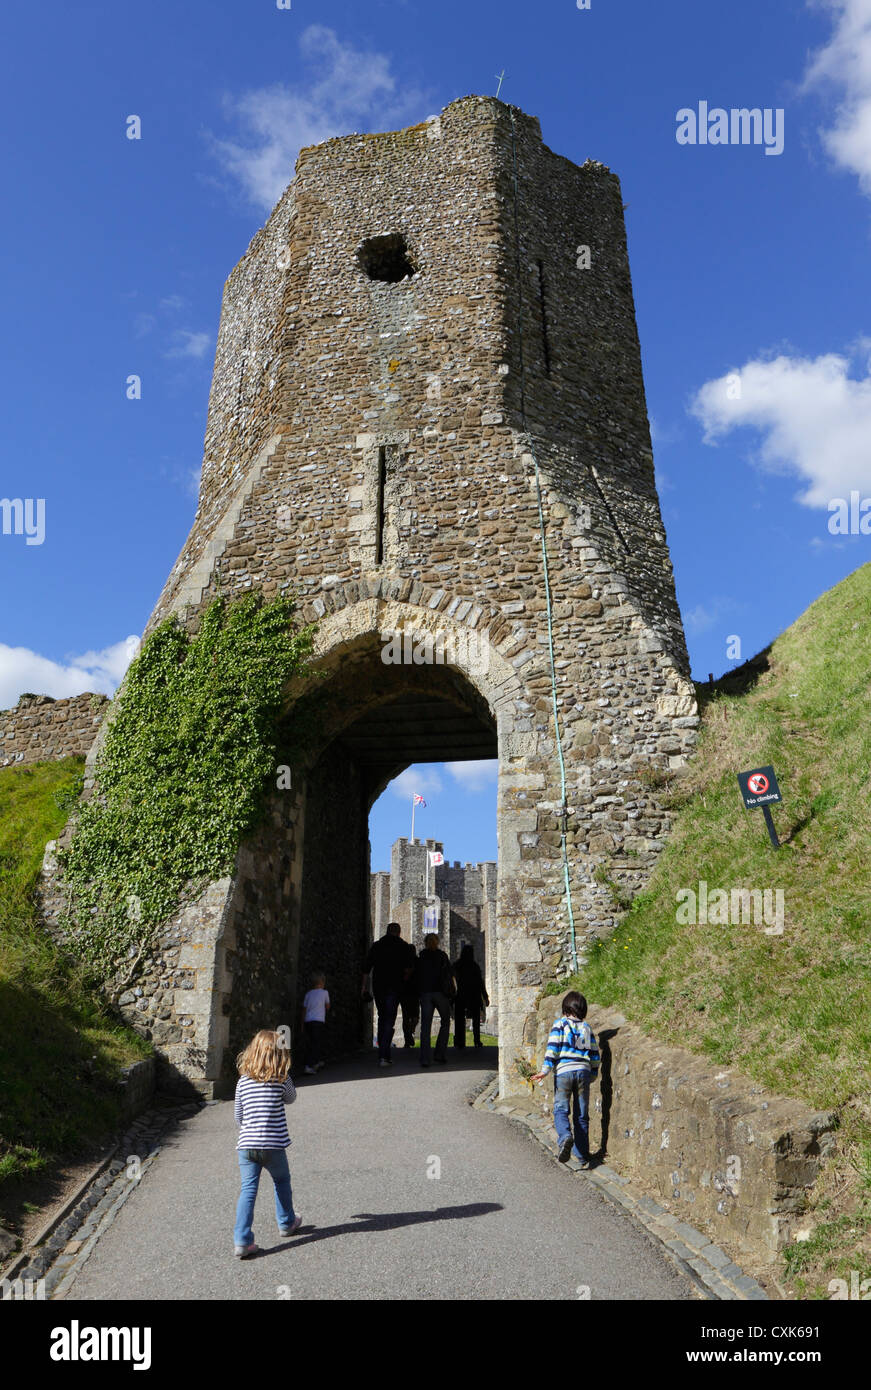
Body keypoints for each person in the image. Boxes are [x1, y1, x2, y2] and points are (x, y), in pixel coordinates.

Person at [233, 1028, 302, 1258]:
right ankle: (286, 1222)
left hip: (246, 1145)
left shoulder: (243, 1081)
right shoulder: (281, 1079)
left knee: (248, 1190)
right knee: (281, 1181)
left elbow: (238, 1117)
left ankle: (242, 1240)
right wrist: (285, 1073)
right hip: (273, 1145)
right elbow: (291, 1098)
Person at [530, 991, 600, 1169]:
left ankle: (565, 1137)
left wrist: (545, 1071)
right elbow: (595, 1055)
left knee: (561, 1110)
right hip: (583, 1072)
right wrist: (592, 1075)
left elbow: (552, 1049)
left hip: (564, 1072)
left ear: (565, 1008)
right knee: (582, 1115)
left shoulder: (559, 1024)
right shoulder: (587, 1028)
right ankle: (582, 1156)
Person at [362, 922, 415, 1067]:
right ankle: (384, 1055)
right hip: (395, 987)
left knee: (382, 1016)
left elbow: (366, 968)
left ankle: (382, 1052)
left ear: (386, 931)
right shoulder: (404, 946)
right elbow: (409, 969)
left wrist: (364, 988)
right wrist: (404, 979)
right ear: (399, 932)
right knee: (389, 1019)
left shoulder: (377, 945)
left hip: (379, 986)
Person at [415, 933, 455, 1067]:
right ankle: (439, 1054)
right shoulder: (442, 956)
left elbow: (417, 976)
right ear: (437, 942)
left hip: (426, 993)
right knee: (445, 1022)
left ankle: (425, 1058)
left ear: (425, 942)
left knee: (425, 1027)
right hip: (440, 993)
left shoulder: (421, 957)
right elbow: (450, 973)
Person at [452, 944, 489, 1049]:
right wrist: (485, 997)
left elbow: (451, 980)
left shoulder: (457, 965)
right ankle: (477, 1040)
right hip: (474, 995)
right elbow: (480, 983)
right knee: (476, 1019)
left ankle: (460, 1041)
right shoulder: (474, 966)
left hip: (460, 995)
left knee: (459, 1019)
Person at [301, 971, 330, 1075]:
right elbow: (327, 1006)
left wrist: (302, 1024)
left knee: (311, 1043)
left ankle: (316, 1061)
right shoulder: (325, 993)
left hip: (308, 1021)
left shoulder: (308, 994)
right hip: (318, 1021)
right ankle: (309, 1065)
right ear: (322, 982)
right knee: (316, 1043)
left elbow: (304, 1009)